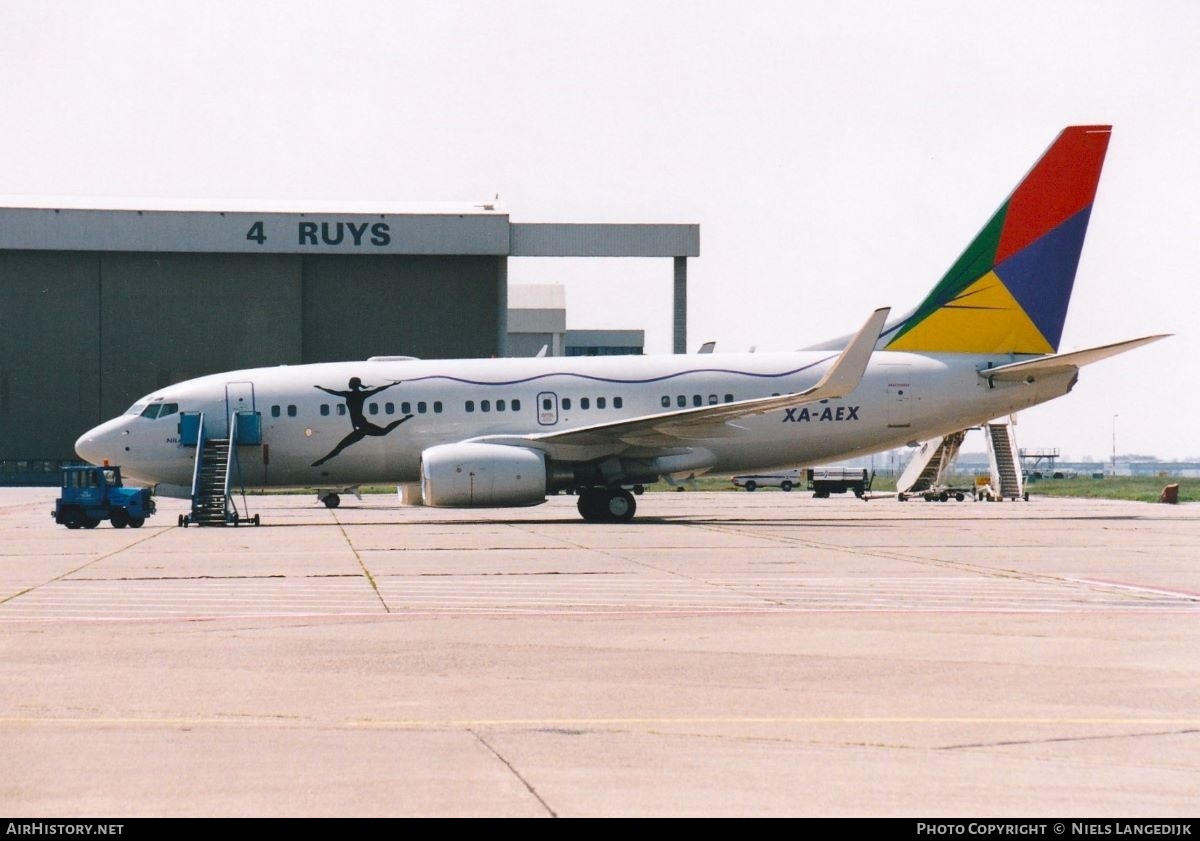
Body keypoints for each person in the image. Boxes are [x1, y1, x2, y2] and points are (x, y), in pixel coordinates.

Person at [311, 377, 412, 466]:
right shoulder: (362, 394)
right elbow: (378, 390)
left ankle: (322, 460)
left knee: (340, 446)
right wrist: (391, 384)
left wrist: (322, 388)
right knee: (384, 431)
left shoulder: (348, 394)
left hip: (360, 427)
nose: (348, 384)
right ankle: (404, 419)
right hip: (362, 424)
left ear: (352, 384)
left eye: (350, 383)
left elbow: (333, 392)